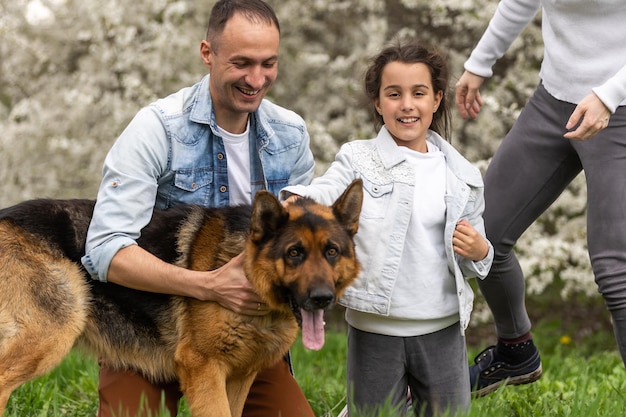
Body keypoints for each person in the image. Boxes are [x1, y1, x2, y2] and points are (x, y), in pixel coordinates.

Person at [80, 1, 317, 416]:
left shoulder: (291, 136)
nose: (256, 79)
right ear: (207, 53)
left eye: (268, 64)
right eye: (242, 63)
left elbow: (302, 240)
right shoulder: (157, 129)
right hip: (150, 331)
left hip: (248, 336)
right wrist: (207, 285)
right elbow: (105, 252)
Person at [281, 41, 493, 417]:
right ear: (378, 103)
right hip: (375, 326)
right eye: (393, 94)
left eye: (418, 93)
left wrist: (481, 251)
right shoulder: (359, 158)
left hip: (441, 326)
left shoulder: (462, 176)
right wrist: (299, 200)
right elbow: (329, 190)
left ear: (437, 99)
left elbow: (475, 255)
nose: (406, 104)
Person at [455, 0, 626, 397]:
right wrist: (479, 63)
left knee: (617, 273)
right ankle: (515, 351)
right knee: (483, 236)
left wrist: (609, 94)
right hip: (552, 103)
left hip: (620, 109)